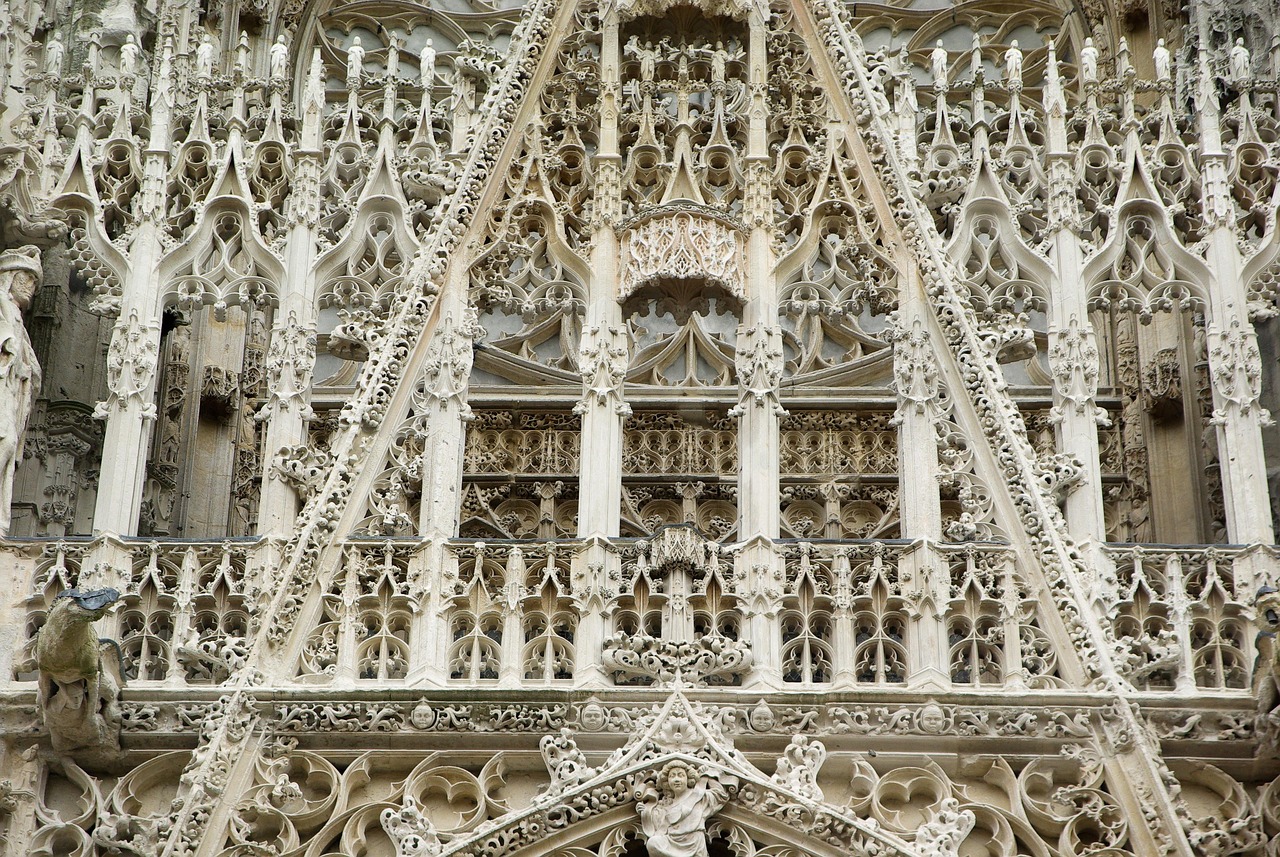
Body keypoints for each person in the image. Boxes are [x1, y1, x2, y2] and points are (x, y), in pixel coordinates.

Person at [0, 246, 42, 537]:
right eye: (25, 278)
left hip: (12, 392)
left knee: (8, 441)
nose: (30, 286)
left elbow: (31, 366)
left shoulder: (17, 320)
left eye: (34, 282)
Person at [635, 762, 729, 857]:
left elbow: (720, 795)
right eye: (672, 776)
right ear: (667, 782)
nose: (676, 780)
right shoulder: (666, 804)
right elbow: (659, 826)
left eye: (681, 775)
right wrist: (645, 812)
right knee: (653, 843)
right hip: (670, 841)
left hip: (694, 844)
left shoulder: (700, 797)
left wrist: (708, 775)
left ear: (688, 779)